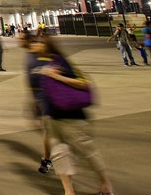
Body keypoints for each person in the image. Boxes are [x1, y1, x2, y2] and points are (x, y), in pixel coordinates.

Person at [33, 35, 113, 195]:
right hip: (53, 117)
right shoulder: (44, 63)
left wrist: (56, 76)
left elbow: (83, 84)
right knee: (60, 155)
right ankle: (69, 191)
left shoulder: (62, 61)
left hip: (72, 117)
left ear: (47, 45)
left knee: (88, 153)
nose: (36, 45)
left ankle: (106, 185)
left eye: (39, 42)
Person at [22, 32, 54, 174]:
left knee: (51, 132)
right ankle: (48, 158)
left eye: (39, 43)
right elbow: (31, 80)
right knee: (48, 132)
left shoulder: (50, 59)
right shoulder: (30, 57)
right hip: (41, 100)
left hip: (52, 101)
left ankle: (48, 159)